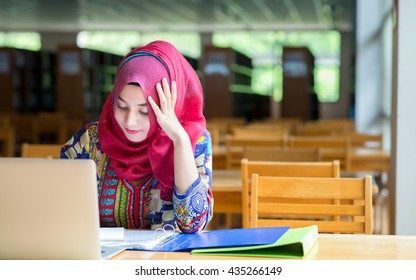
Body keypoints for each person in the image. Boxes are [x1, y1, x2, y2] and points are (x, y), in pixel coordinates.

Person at [61, 40, 213, 233]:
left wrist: (180, 141)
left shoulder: (194, 142)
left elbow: (192, 224)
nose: (130, 121)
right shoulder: (90, 140)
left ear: (169, 106)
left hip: (165, 262)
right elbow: (61, 212)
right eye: (122, 106)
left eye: (144, 111)